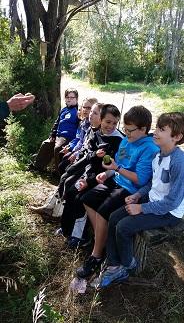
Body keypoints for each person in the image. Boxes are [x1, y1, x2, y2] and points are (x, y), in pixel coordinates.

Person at [97, 112, 184, 288]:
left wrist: (142, 207)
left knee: (124, 226)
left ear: (176, 137)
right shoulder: (158, 155)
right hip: (152, 200)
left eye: (162, 129)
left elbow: (173, 201)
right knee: (114, 217)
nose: (156, 132)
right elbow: (153, 183)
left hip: (169, 212)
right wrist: (138, 195)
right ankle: (114, 265)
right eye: (157, 127)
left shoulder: (178, 162)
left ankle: (128, 264)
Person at [76, 106, 159, 278]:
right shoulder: (126, 140)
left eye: (130, 130)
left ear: (143, 129)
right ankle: (103, 238)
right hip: (116, 181)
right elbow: (117, 166)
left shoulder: (149, 148)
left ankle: (96, 255)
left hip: (130, 190)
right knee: (87, 198)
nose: (125, 133)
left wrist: (117, 168)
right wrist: (107, 173)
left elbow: (140, 180)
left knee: (103, 211)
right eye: (125, 129)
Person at [57, 104, 123, 241]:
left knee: (81, 198)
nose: (111, 126)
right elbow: (89, 157)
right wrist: (84, 178)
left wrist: (89, 182)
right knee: (70, 190)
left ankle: (80, 236)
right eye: (108, 122)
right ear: (101, 120)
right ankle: (65, 228)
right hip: (89, 174)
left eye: (115, 123)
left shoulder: (118, 140)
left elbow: (110, 168)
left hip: (104, 179)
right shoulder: (97, 134)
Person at [31, 88, 79, 172]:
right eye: (67, 97)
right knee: (46, 143)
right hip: (58, 135)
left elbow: (80, 127)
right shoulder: (63, 110)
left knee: (58, 148)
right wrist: (53, 134)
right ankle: (38, 167)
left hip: (68, 137)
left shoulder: (78, 111)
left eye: (72, 97)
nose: (69, 99)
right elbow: (57, 123)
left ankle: (58, 172)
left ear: (76, 99)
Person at [58, 97, 98, 176]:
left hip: (85, 154)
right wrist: (70, 147)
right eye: (84, 107)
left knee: (66, 166)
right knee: (63, 158)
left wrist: (75, 153)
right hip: (78, 149)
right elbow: (78, 139)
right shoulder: (83, 122)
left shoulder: (93, 125)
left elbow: (86, 144)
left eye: (89, 108)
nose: (85, 110)